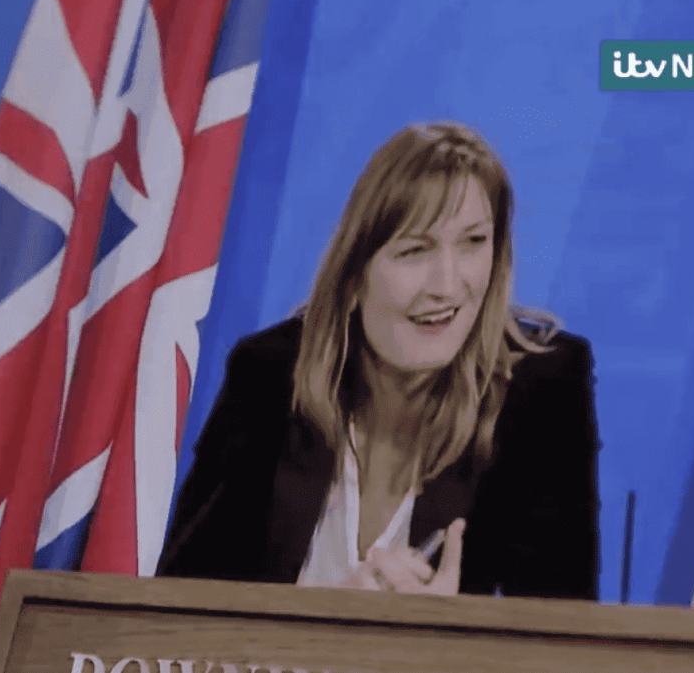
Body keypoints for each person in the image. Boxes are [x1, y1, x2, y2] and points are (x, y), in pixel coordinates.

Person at [156, 122, 600, 600]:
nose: (448, 286)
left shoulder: (540, 389)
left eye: (473, 242)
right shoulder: (270, 376)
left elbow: (560, 628)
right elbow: (182, 607)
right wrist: (328, 622)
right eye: (415, 250)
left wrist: (451, 632)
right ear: (354, 275)